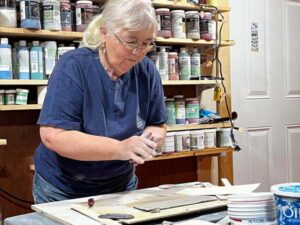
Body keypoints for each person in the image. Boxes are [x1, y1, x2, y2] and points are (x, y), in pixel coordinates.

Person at [33, 0, 167, 204]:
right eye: (131, 41)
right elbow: (53, 136)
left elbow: (157, 124)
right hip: (64, 188)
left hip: (120, 184)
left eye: (146, 43)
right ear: (105, 33)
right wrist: (120, 149)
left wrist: (148, 142)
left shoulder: (147, 71)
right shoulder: (74, 66)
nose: (138, 52)